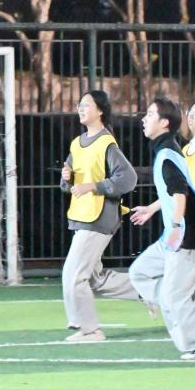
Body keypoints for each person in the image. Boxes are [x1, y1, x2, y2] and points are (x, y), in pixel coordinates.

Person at [129, 97, 195, 360]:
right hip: (174, 236)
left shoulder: (167, 155)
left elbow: (180, 192)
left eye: (150, 114)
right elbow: (174, 191)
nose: (143, 119)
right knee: (139, 272)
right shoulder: (168, 151)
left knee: (175, 298)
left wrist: (175, 225)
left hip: (185, 237)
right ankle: (184, 301)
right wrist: (151, 209)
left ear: (164, 123)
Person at [59, 90, 140, 342]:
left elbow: (128, 179)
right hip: (81, 216)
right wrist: (67, 178)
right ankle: (154, 289)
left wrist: (93, 186)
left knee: (74, 274)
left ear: (100, 110)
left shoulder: (107, 143)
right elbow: (69, 184)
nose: (80, 108)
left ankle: (90, 330)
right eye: (79, 105)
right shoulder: (77, 143)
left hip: (100, 218)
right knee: (96, 279)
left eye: (86, 105)